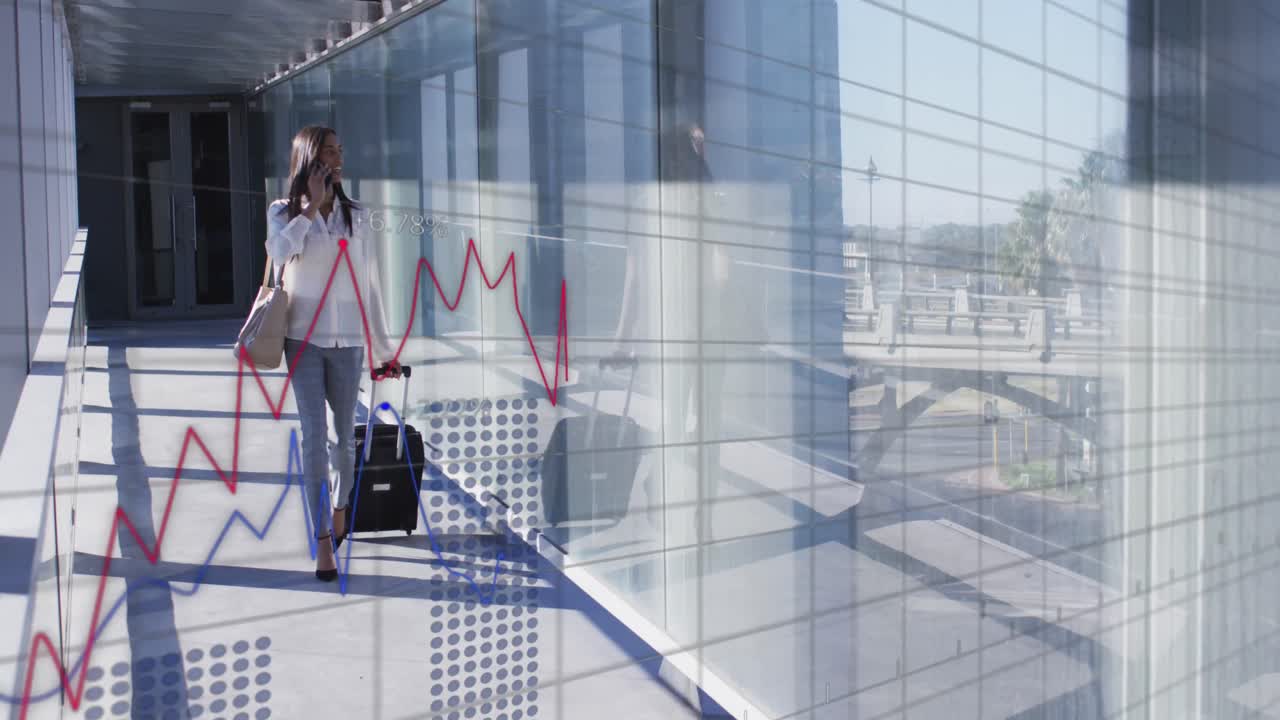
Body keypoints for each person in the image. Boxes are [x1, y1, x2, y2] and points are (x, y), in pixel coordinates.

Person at [266, 125, 401, 581]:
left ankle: (341, 506)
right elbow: (278, 254)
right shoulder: (283, 211)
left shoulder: (357, 215)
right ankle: (323, 539)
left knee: (343, 439)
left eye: (340, 151)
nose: (338, 159)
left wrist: (384, 351)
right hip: (301, 341)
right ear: (310, 158)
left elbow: (370, 286)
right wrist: (309, 209)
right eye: (329, 152)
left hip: (349, 344)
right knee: (312, 438)